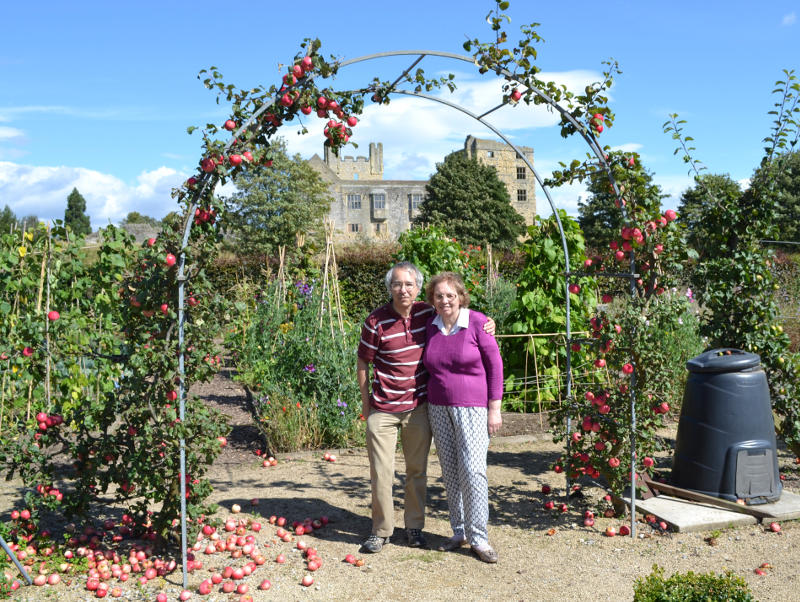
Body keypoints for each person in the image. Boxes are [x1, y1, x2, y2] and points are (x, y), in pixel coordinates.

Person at [357, 262, 495, 553]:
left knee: (420, 471)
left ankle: (416, 529)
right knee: (382, 472)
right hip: (386, 408)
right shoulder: (377, 321)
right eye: (397, 284)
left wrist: (488, 322)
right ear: (389, 288)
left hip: (419, 407)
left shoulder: (429, 314)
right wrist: (366, 406)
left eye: (409, 284)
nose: (403, 289)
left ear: (418, 289)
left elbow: (461, 314)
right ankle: (381, 531)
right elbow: (363, 362)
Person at [422, 271, 503, 563]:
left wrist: (495, 408)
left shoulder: (478, 322)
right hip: (438, 407)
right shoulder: (429, 325)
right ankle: (458, 532)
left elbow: (495, 365)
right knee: (451, 471)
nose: (445, 300)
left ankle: (479, 537)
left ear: (461, 297)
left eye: (450, 295)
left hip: (472, 408)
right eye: (439, 295)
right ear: (432, 299)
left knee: (473, 470)